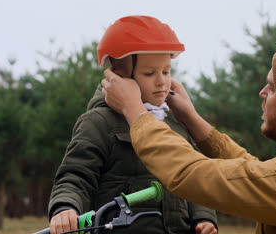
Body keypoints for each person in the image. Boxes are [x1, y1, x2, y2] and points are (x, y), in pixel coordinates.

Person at [101, 40, 276, 234]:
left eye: (272, 89)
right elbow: (259, 173)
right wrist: (192, 119)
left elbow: (191, 173)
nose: (262, 93)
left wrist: (134, 109)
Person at [48, 15, 218, 234]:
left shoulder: (176, 128)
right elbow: (75, 176)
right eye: (149, 73)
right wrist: (66, 208)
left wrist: (204, 219)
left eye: (166, 71)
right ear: (120, 76)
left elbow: (195, 181)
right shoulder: (98, 123)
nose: (161, 81)